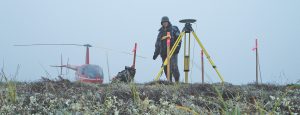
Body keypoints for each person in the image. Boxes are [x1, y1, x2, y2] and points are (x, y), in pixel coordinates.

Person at [153, 16, 181, 82]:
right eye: (163, 22)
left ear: (168, 22)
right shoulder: (160, 33)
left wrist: (176, 49)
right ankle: (169, 82)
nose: (165, 23)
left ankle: (177, 82)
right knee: (165, 68)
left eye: (166, 22)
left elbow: (179, 40)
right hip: (164, 53)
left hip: (172, 51)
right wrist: (155, 54)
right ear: (162, 23)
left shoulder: (174, 29)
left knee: (174, 67)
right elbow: (157, 44)